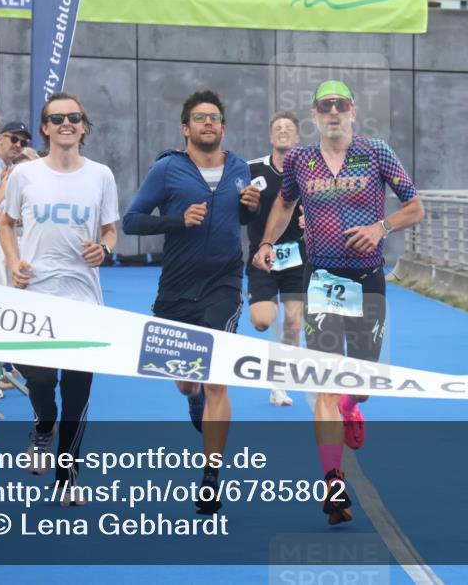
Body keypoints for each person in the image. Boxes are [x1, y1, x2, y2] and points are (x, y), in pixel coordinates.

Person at [253, 80, 424, 525]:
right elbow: (284, 205)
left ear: (352, 112)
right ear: (314, 115)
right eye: (325, 106)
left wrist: (381, 228)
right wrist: (267, 242)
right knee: (326, 383)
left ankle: (352, 405)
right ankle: (333, 481)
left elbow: (416, 207)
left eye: (340, 105)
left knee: (361, 384)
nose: (333, 112)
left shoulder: (376, 152)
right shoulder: (300, 160)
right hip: (322, 281)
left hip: (367, 279)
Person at [123, 89, 259, 514]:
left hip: (224, 283)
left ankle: (211, 477)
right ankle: (192, 398)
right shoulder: (167, 169)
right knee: (187, 381)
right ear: (186, 128)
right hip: (178, 287)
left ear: (223, 127)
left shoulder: (239, 168)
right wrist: (177, 221)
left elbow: (242, 219)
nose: (208, 123)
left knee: (217, 378)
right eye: (200, 117)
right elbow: (132, 221)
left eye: (214, 117)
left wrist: (251, 208)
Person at [0, 92, 118, 506]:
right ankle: (42, 425)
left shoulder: (101, 175)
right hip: (36, 297)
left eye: (74, 117)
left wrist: (104, 249)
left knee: (77, 394)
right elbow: (7, 223)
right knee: (42, 381)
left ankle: (68, 476)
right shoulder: (24, 175)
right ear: (45, 127)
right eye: (57, 118)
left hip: (84, 300)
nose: (66, 123)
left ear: (84, 127)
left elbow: (110, 230)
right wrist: (13, 261)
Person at [246, 110, 305, 407]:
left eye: (288, 128)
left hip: (298, 257)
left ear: (297, 136)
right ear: (271, 135)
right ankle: (275, 347)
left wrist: (312, 221)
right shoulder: (251, 169)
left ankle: (279, 384)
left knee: (293, 324)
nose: (283, 131)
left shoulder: (310, 172)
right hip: (262, 257)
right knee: (262, 320)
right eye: (278, 127)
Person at [0, 121, 30, 211]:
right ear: (0, 139)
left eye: (23, 143)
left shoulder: (16, 170)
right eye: (14, 139)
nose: (18, 145)